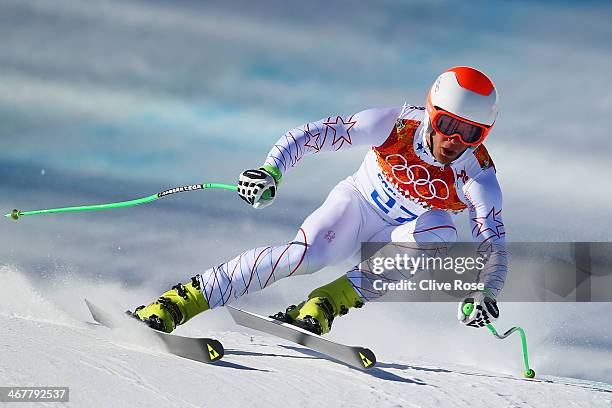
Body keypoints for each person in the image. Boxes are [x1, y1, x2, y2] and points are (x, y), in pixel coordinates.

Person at [131, 66, 506, 335]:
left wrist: (484, 291)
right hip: (357, 205)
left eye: (471, 132)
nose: (456, 140)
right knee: (302, 257)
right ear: (431, 113)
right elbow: (313, 134)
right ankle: (180, 301)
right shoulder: (394, 125)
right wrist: (271, 171)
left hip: (402, 234)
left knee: (441, 229)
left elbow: (494, 246)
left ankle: (326, 303)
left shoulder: (479, 177)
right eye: (448, 125)